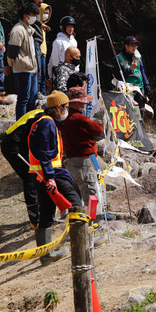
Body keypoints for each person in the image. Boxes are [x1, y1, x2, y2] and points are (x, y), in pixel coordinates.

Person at [28, 90, 83, 265]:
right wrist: (51, 178)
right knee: (76, 203)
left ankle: (45, 255)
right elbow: (45, 154)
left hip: (43, 176)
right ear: (58, 107)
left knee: (45, 214)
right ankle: (83, 242)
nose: (67, 110)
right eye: (66, 107)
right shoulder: (48, 124)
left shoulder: (44, 122)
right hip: (52, 174)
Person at [61, 86, 114, 221]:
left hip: (73, 160)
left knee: (78, 191)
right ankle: (95, 219)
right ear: (76, 102)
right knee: (90, 190)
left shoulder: (67, 119)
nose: (86, 104)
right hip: (84, 160)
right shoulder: (79, 118)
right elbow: (98, 129)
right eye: (83, 101)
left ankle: (81, 219)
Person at [1, 109, 44, 228]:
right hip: (13, 146)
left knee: (35, 175)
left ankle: (41, 209)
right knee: (30, 177)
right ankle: (35, 218)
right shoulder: (42, 119)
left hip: (19, 142)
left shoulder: (42, 114)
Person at [5, 2, 40, 119]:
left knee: (32, 99)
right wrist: (10, 65)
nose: (34, 17)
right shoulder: (18, 30)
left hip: (31, 69)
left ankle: (31, 124)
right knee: (23, 99)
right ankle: (21, 127)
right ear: (25, 15)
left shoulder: (29, 29)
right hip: (22, 69)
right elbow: (12, 52)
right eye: (33, 14)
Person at [113, 36, 150, 112]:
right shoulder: (118, 58)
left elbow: (142, 71)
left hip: (139, 87)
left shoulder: (137, 56)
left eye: (136, 45)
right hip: (127, 89)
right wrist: (130, 69)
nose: (135, 47)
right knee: (129, 110)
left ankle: (139, 124)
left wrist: (146, 85)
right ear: (126, 46)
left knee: (141, 110)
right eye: (132, 45)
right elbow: (118, 76)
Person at [27, 0, 51, 96]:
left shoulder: (36, 6)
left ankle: (40, 91)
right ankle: (36, 92)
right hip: (34, 40)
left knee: (41, 70)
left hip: (39, 42)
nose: (41, 1)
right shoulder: (30, 6)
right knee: (37, 69)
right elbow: (34, 19)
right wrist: (41, 24)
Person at [47, 16, 77, 80]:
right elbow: (54, 60)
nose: (71, 29)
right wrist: (54, 75)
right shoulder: (58, 42)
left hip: (72, 72)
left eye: (72, 27)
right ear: (63, 28)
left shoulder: (74, 41)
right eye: (68, 27)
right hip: (61, 73)